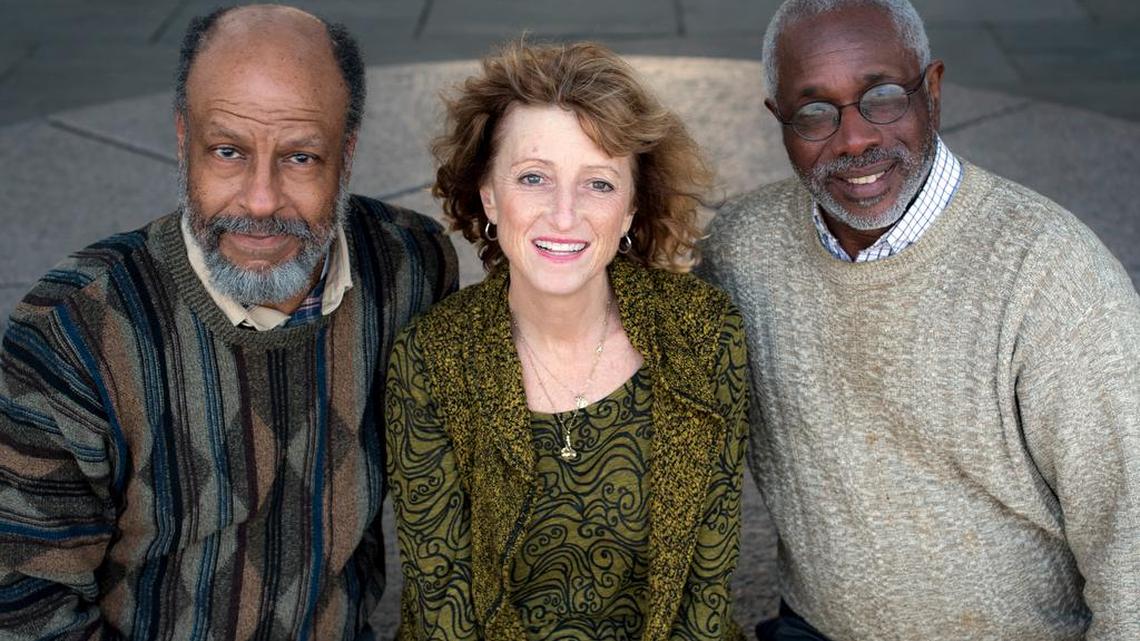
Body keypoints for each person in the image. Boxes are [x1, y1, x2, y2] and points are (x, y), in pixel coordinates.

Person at [0, 6, 456, 639]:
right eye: (228, 151)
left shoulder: (409, 268)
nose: (261, 200)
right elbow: (24, 607)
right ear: (184, 141)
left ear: (346, 154)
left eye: (301, 157)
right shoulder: (71, 333)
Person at [698, 0, 1140, 639]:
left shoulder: (1051, 275)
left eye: (881, 97)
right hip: (813, 630)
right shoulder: (741, 248)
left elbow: (1131, 538)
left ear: (931, 91)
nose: (855, 139)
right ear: (779, 119)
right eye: (814, 111)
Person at [385, 41, 749, 640]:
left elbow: (704, 585)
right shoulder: (431, 356)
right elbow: (442, 597)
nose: (563, 215)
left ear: (631, 207)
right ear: (489, 197)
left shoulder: (703, 331)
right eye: (533, 178)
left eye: (598, 184)